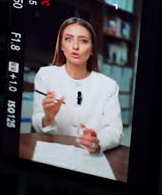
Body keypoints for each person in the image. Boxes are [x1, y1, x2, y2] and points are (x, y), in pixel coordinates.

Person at [31, 17, 123, 153]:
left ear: (92, 49)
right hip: (52, 152)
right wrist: (47, 118)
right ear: (61, 46)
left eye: (83, 41)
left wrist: (98, 141)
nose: (75, 46)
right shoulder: (45, 75)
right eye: (68, 39)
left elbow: (115, 131)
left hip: (89, 157)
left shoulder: (109, 86)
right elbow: (37, 121)